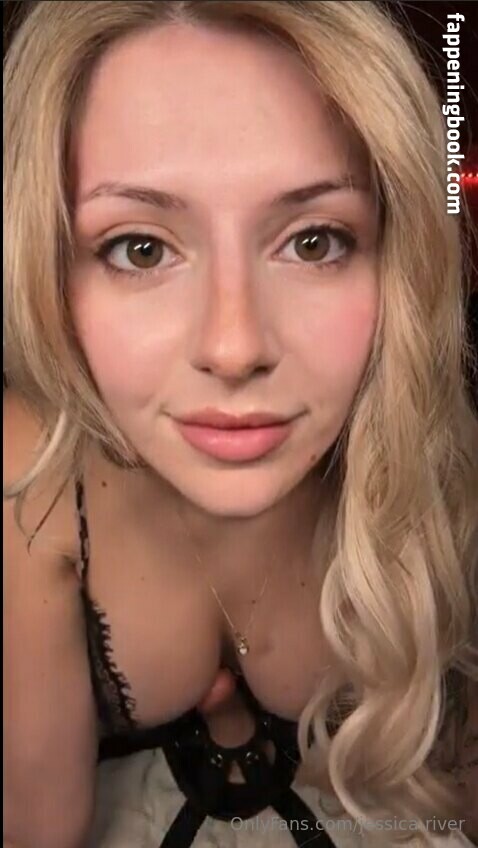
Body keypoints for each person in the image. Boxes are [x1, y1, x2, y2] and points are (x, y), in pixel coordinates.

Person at [3, 2, 478, 847]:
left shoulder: (443, 452)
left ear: (399, 261)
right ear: (47, 271)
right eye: (141, 248)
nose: (234, 348)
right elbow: (39, 829)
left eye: (314, 242)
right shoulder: (28, 478)